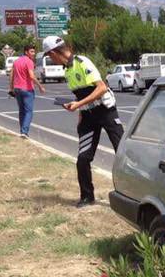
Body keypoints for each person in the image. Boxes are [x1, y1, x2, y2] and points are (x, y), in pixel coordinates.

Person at [41, 35, 124, 207]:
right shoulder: (67, 70)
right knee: (83, 158)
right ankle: (87, 196)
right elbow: (80, 95)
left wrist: (78, 104)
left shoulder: (82, 62)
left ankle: (132, 193)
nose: (50, 60)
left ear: (55, 53)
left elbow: (102, 87)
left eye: (49, 56)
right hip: (88, 116)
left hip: (106, 111)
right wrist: (79, 113)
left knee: (123, 152)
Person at [8, 45, 45, 138]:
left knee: (21, 111)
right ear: (26, 52)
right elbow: (32, 76)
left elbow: (11, 76)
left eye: (34, 51)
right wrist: (40, 86)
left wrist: (11, 88)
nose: (33, 53)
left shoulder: (16, 61)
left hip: (17, 89)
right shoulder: (29, 62)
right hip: (27, 89)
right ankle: (24, 132)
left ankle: (22, 131)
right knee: (28, 111)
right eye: (31, 51)